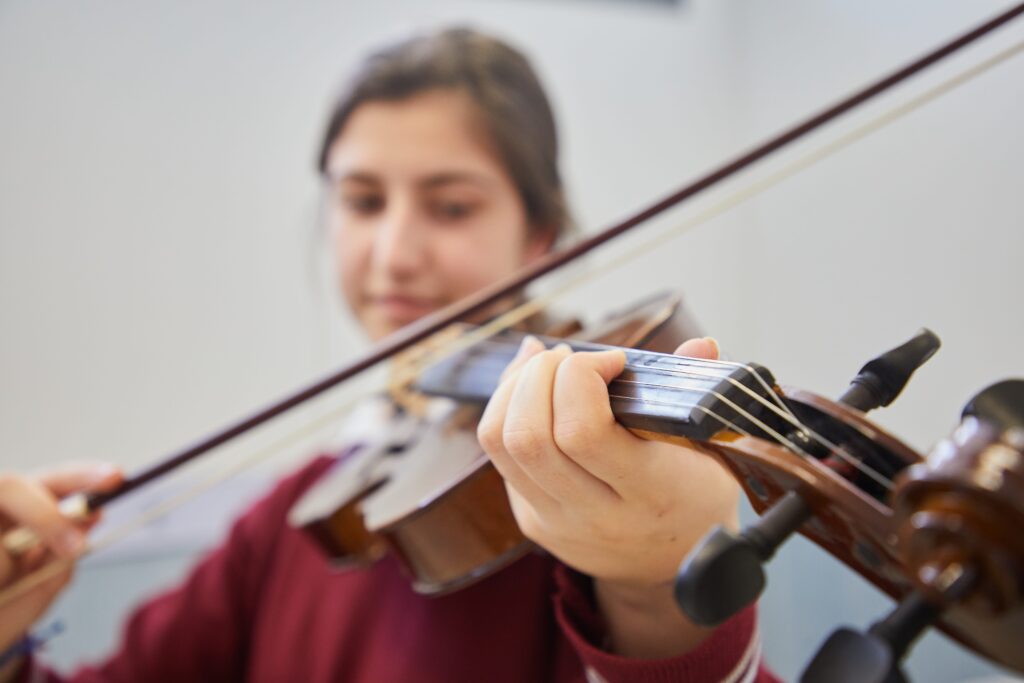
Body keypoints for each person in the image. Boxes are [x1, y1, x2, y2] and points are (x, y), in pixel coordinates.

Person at [0, 28, 777, 683]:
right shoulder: (299, 514)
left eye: (450, 206)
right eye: (364, 201)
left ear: (540, 235)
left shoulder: (598, 473)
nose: (393, 255)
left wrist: (653, 588)